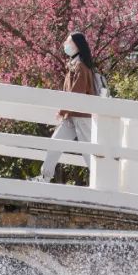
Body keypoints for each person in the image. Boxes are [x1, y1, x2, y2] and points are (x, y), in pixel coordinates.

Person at [37, 31, 99, 183]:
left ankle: (101, 180)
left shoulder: (81, 67)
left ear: (77, 45)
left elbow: (76, 94)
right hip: (71, 116)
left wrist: (62, 111)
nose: (65, 44)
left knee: (88, 152)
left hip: (82, 116)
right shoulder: (75, 64)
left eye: (68, 41)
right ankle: (45, 177)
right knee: (55, 144)